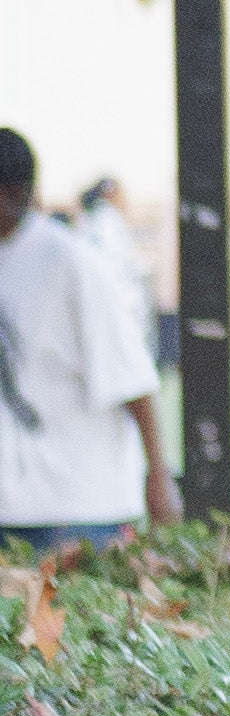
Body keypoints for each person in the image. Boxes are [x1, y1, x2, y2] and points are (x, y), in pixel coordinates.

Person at [0, 127, 169, 544]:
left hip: (74, 510)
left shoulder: (71, 263)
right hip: (11, 507)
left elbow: (132, 379)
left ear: (14, 193)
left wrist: (159, 478)